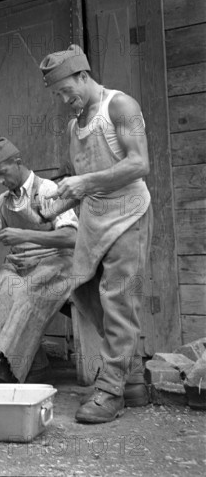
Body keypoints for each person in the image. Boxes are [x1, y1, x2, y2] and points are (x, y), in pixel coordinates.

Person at [39, 44, 153, 423]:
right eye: (57, 93)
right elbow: (76, 178)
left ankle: (110, 388)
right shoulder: (75, 125)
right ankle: (131, 376)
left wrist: (84, 182)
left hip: (127, 215)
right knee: (84, 290)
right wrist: (56, 204)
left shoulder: (122, 107)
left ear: (83, 76)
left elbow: (139, 164)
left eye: (65, 90)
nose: (63, 98)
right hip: (94, 218)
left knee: (118, 297)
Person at [0, 137, 78, 385]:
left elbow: (72, 236)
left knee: (27, 295)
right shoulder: (2, 202)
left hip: (55, 263)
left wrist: (24, 235)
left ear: (17, 162)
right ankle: (17, 366)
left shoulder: (48, 192)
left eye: (3, 173)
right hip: (18, 264)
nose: (0, 181)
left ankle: (1, 373)